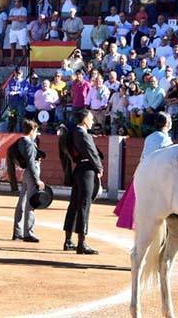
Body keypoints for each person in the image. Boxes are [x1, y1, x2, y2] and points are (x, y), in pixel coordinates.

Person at [62, 109, 103, 254]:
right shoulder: (82, 134)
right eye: (91, 119)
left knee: (74, 204)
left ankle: (68, 240)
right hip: (87, 170)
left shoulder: (72, 133)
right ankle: (81, 243)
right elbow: (91, 152)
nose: (92, 121)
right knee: (84, 205)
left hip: (79, 168)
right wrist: (99, 168)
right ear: (85, 120)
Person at [11, 120, 44, 243]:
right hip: (32, 172)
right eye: (36, 131)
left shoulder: (20, 141)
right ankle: (28, 233)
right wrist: (37, 180)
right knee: (31, 203)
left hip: (26, 173)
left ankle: (17, 231)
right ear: (33, 130)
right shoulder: (29, 143)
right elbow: (30, 162)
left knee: (22, 202)